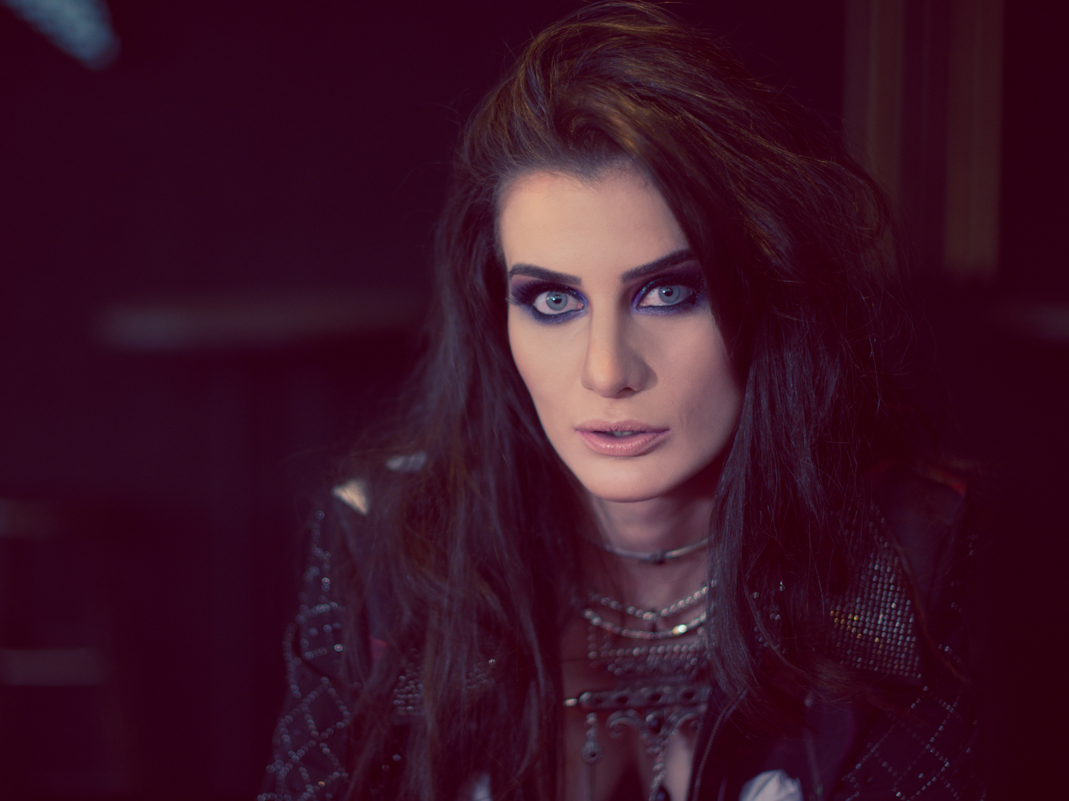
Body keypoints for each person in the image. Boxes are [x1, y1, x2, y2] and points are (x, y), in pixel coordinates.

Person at [260, 2, 983, 799]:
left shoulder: (901, 553)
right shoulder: (391, 550)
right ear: (497, 317)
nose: (607, 371)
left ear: (769, 295)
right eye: (553, 301)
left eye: (667, 293)